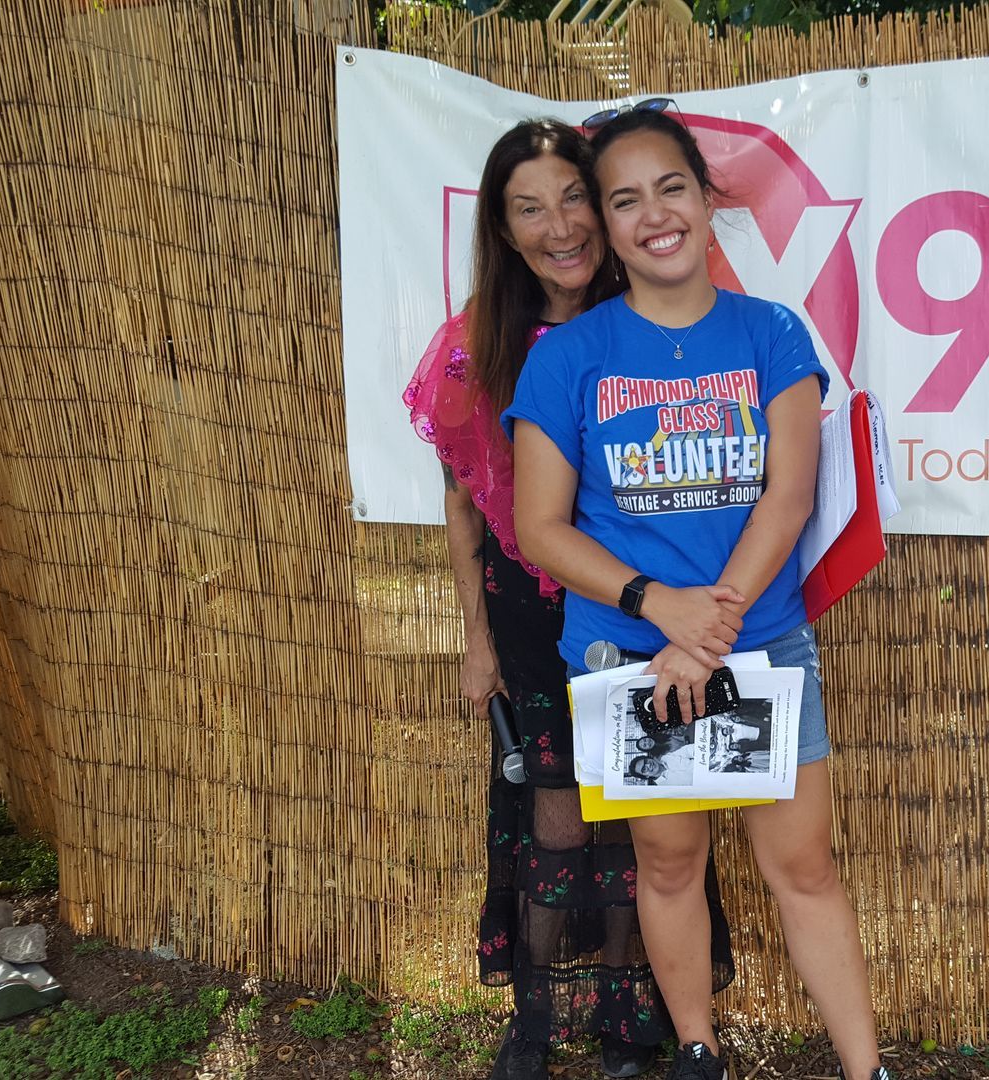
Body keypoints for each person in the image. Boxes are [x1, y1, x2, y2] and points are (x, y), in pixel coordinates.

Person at [506, 103, 889, 1080]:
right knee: (669, 863)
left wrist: (704, 628)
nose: (654, 215)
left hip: (760, 642)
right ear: (605, 223)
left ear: (709, 199)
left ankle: (866, 1069)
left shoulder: (771, 333)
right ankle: (697, 1051)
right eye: (625, 200)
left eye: (671, 188)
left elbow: (789, 495)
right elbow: (540, 527)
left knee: (803, 867)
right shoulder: (568, 357)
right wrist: (656, 606)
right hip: (628, 652)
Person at [403, 118, 733, 1080]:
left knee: (645, 811)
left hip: (643, 607)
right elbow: (464, 505)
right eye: (529, 209)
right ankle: (536, 1020)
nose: (559, 227)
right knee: (556, 816)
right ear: (503, 231)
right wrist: (477, 640)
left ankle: (631, 1018)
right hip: (529, 608)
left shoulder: (661, 317)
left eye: (574, 198)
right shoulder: (475, 348)